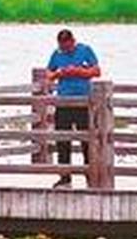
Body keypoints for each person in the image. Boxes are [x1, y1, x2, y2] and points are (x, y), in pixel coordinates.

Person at [43, 28, 101, 188]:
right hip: (63, 101)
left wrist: (78, 71)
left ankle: (91, 176)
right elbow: (48, 73)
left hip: (83, 101)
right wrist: (58, 74)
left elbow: (97, 71)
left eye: (67, 46)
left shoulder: (85, 50)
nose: (65, 50)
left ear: (73, 41)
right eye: (62, 47)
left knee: (87, 141)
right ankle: (65, 177)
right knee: (62, 139)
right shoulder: (57, 54)